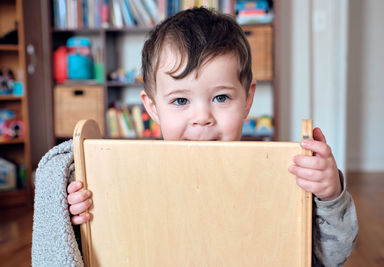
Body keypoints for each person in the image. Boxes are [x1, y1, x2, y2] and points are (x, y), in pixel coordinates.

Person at [66, 7, 358, 266]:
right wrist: (82, 218)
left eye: (220, 97)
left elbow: (331, 256)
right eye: (181, 101)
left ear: (247, 100)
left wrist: (329, 196)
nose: (202, 116)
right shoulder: (129, 178)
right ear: (153, 108)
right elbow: (104, 251)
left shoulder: (280, 175)